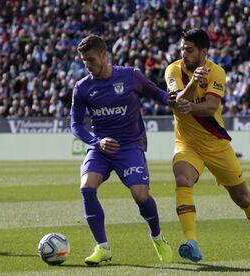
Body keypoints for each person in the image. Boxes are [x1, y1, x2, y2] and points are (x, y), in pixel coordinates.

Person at [164, 28, 250, 263]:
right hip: (186, 143)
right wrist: (193, 84)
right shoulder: (173, 70)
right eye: (182, 48)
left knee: (243, 198)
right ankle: (191, 241)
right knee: (182, 179)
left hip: (216, 144)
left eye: (190, 50)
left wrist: (190, 105)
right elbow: (176, 102)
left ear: (204, 51)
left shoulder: (217, 73)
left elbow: (210, 107)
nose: (184, 53)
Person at [70, 35, 173, 266]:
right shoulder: (83, 88)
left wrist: (173, 101)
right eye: (84, 61)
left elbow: (156, 93)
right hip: (101, 148)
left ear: (104, 55)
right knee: (87, 187)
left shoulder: (130, 76)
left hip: (129, 146)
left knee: (140, 195)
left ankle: (157, 237)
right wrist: (96, 142)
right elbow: (76, 125)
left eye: (91, 59)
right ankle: (102, 247)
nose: (88, 65)